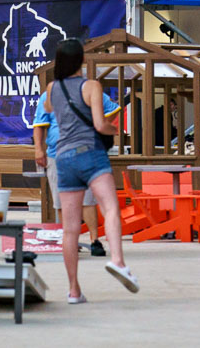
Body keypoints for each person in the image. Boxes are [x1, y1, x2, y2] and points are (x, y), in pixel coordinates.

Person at [47, 39, 139, 302]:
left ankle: (73, 290)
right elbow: (100, 124)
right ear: (81, 61)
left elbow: (50, 111)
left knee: (70, 229)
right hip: (91, 154)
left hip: (63, 158)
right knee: (109, 207)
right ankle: (118, 261)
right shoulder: (92, 86)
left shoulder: (52, 89)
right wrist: (114, 131)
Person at [33, 81, 121, 256]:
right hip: (57, 153)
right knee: (61, 200)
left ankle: (94, 240)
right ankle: (69, 239)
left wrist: (99, 124)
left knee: (87, 200)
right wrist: (38, 149)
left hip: (84, 151)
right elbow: (39, 125)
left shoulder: (88, 90)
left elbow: (113, 109)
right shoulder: (49, 94)